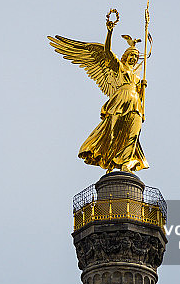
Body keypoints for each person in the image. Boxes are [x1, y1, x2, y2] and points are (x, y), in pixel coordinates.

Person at [48, 15, 148, 172]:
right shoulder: (119, 68)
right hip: (120, 101)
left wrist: (142, 88)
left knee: (133, 134)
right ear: (126, 56)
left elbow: (141, 96)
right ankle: (109, 161)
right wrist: (110, 32)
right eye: (131, 55)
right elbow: (107, 51)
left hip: (135, 105)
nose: (134, 58)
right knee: (113, 134)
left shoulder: (137, 78)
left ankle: (125, 163)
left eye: (136, 56)